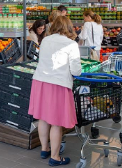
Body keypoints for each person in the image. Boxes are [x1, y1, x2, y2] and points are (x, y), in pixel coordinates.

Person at [28, 16, 82, 166]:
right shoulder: (71, 44)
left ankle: (45, 149)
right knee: (56, 122)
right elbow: (77, 71)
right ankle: (55, 157)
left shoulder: (45, 40)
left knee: (43, 118)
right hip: (58, 84)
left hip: (40, 81)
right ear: (69, 28)